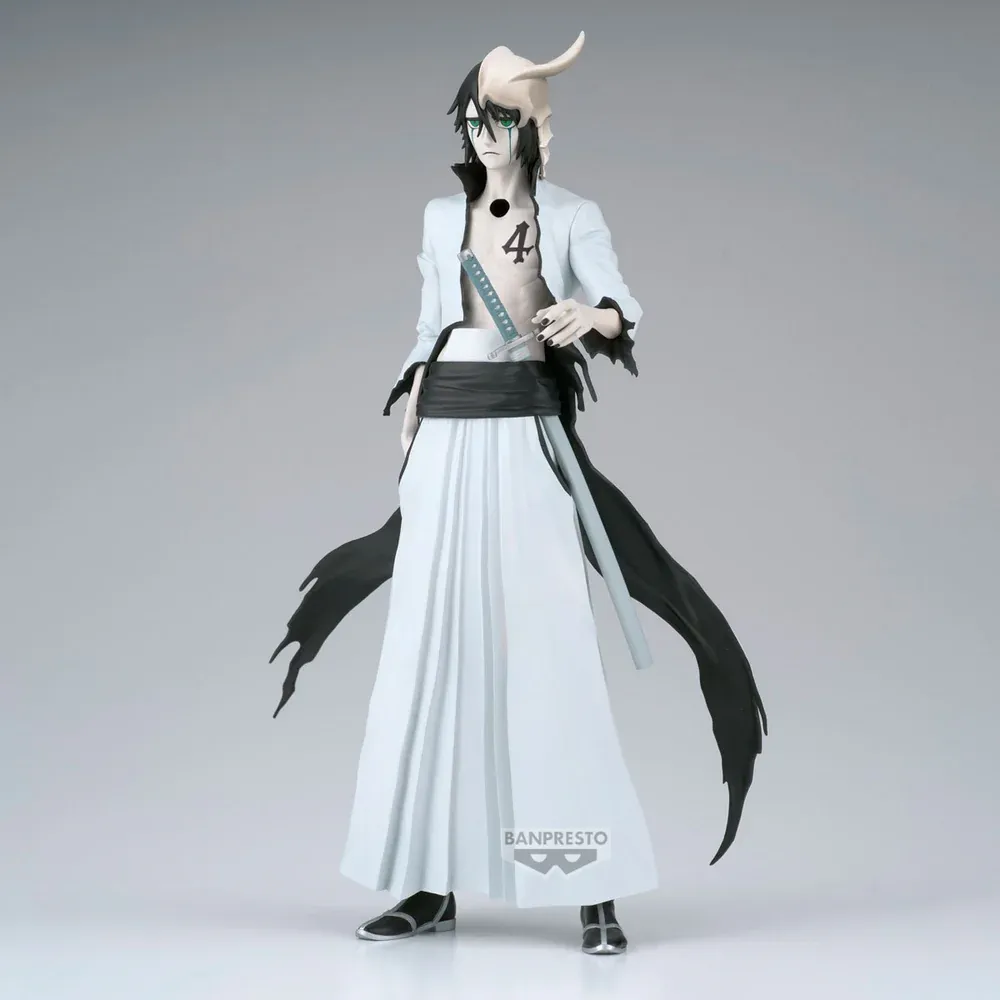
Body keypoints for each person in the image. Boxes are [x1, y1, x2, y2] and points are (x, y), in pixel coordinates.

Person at [270, 31, 767, 956]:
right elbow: (430, 325)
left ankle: (588, 885)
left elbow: (622, 305)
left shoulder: (573, 216)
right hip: (445, 443)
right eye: (474, 116)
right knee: (431, 652)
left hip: (527, 439)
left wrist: (590, 314)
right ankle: (429, 883)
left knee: (549, 653)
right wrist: (412, 411)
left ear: (534, 127)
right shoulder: (437, 219)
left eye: (501, 118)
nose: (484, 132)